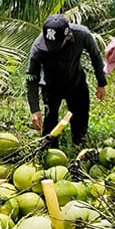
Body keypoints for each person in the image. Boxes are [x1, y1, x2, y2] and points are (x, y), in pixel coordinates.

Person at [26, 14, 107, 146]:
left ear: (67, 35)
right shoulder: (38, 47)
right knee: (50, 123)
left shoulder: (82, 34)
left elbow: (96, 56)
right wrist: (34, 109)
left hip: (76, 82)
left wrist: (101, 82)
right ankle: (49, 151)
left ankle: (79, 147)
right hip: (50, 86)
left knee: (80, 121)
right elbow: (31, 78)